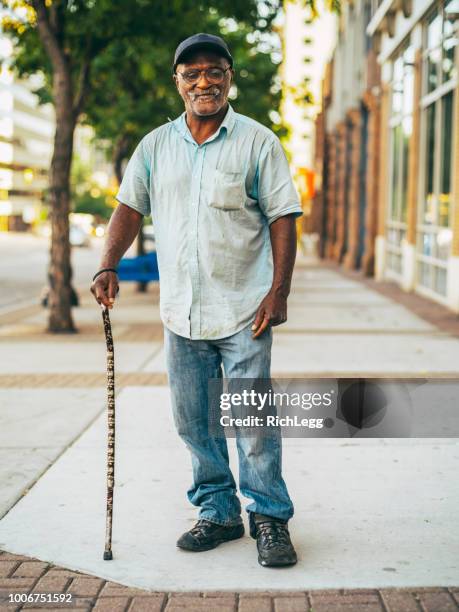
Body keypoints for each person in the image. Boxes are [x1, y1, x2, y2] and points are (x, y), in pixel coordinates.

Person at [91, 33, 302, 568]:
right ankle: (219, 511)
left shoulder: (258, 142)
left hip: (244, 311)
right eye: (192, 74)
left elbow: (283, 216)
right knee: (194, 422)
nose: (203, 81)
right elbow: (128, 209)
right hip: (181, 313)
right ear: (178, 82)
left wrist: (278, 291)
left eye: (214, 71)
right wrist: (108, 262)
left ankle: (269, 517)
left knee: (252, 422)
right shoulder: (155, 146)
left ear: (229, 77)